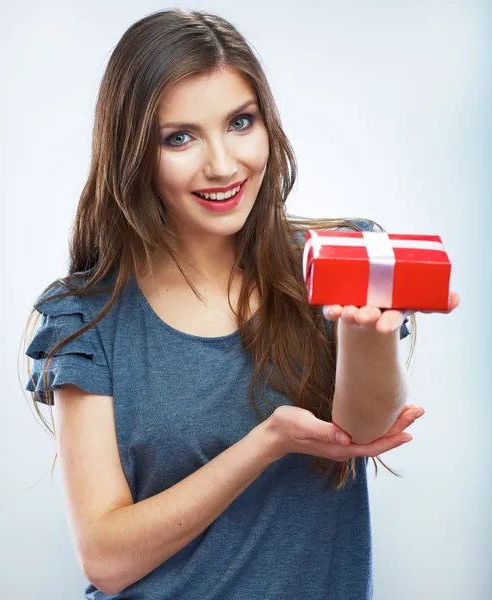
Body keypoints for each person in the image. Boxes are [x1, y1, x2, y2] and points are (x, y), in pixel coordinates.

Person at [23, 8, 459, 600]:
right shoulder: (88, 316)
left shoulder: (335, 258)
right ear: (134, 154)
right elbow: (106, 559)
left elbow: (362, 429)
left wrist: (367, 330)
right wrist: (266, 442)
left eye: (240, 122)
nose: (224, 165)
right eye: (180, 137)